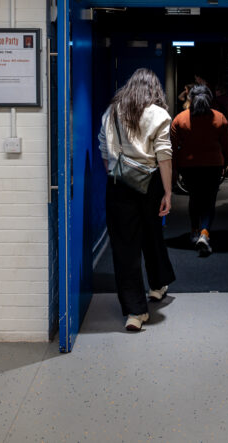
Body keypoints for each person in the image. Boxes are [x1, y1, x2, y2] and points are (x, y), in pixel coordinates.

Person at [97, 68, 175, 332]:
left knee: (124, 247)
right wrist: (167, 192)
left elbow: (103, 150)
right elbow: (164, 155)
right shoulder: (159, 114)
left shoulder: (113, 111)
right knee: (152, 235)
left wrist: (118, 172)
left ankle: (134, 312)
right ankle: (157, 285)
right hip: (150, 182)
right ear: (154, 89)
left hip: (119, 183)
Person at [170, 84, 228, 257]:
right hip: (213, 165)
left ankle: (194, 231)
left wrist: (174, 169)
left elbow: (173, 148)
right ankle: (205, 233)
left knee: (195, 198)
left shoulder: (180, 119)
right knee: (210, 200)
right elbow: (226, 146)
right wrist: (224, 164)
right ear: (209, 98)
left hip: (189, 167)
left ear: (190, 98)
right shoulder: (219, 118)